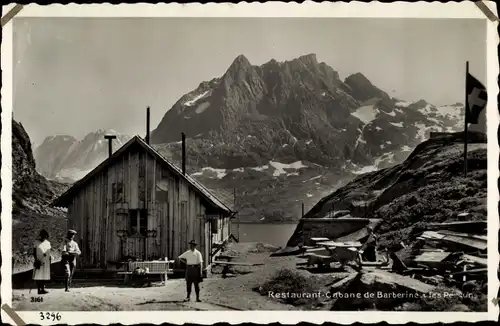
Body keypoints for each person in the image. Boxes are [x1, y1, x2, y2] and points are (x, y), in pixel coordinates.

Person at [33, 229, 52, 294]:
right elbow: (34, 252)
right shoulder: (36, 242)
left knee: (44, 275)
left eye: (45, 236)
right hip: (39, 260)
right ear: (40, 236)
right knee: (38, 275)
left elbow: (49, 252)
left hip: (46, 261)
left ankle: (43, 289)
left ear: (46, 236)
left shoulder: (48, 243)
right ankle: (39, 289)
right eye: (42, 235)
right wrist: (36, 260)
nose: (43, 237)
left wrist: (49, 261)